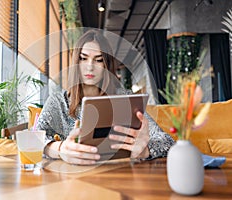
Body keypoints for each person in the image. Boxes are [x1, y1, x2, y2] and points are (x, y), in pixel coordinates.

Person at [36, 29, 174, 165]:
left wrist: (145, 150)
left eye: (98, 60)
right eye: (83, 58)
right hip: (73, 178)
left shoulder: (125, 99)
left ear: (106, 65)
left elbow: (167, 142)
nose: (90, 66)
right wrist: (60, 149)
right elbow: (35, 138)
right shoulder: (59, 102)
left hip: (119, 173)